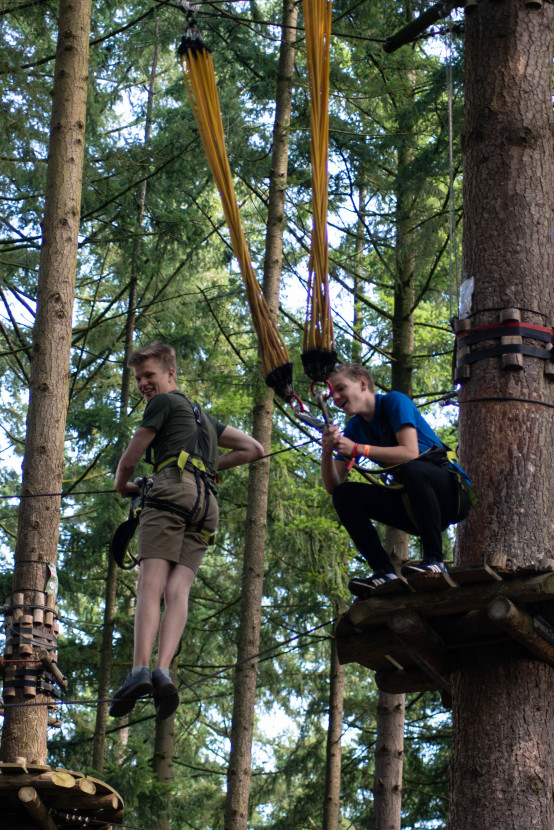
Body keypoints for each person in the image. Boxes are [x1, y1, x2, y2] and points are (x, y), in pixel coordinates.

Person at [110, 341, 264, 720]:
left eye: (149, 375)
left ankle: (139, 671)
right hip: (206, 506)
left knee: (150, 584)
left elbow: (131, 457)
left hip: (170, 494)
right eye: (139, 378)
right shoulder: (205, 419)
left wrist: (121, 485)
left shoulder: (162, 404)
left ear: (170, 374)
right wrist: (208, 467)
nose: (144, 383)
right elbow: (254, 448)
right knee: (178, 591)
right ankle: (163, 671)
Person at [321, 363, 472, 597]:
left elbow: (410, 453)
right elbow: (333, 487)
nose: (336, 398)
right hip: (415, 505)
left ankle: (435, 560)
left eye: (340, 389)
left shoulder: (394, 401)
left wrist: (359, 449)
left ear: (362, 383)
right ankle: (384, 572)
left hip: (450, 495)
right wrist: (327, 450)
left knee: (412, 468)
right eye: (332, 394)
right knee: (345, 495)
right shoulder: (354, 428)